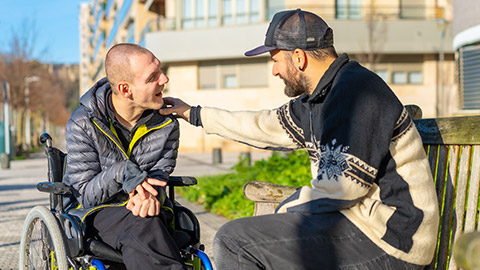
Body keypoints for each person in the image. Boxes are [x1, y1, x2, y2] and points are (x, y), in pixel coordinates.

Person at [160, 9, 439, 270]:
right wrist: (193, 114)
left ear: (298, 57)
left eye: (275, 60)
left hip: (394, 240)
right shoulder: (319, 98)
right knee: (250, 239)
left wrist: (288, 206)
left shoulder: (356, 94)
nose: (275, 71)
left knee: (234, 241)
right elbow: (262, 126)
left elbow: (340, 188)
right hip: (358, 222)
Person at [64, 43, 185, 269]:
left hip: (151, 209)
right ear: (126, 89)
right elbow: (86, 195)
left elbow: (161, 172)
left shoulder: (167, 123)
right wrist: (123, 172)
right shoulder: (83, 123)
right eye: (153, 77)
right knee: (143, 224)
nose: (165, 79)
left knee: (145, 220)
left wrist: (150, 195)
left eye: (160, 70)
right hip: (98, 214)